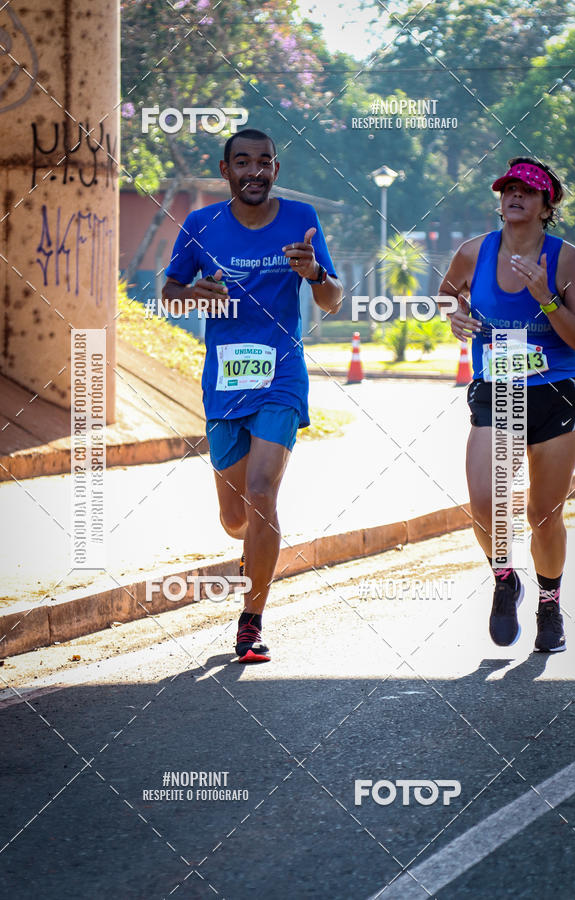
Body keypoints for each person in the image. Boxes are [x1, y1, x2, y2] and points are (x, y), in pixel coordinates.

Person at [162, 129, 342, 662]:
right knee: (236, 518)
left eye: (264, 162)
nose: (254, 171)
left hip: (281, 374)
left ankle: (251, 621)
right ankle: (251, 550)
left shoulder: (300, 220)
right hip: (224, 383)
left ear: (275, 170)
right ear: (227, 171)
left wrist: (314, 273)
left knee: (262, 492)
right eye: (243, 162)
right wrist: (191, 294)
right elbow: (169, 295)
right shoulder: (201, 224)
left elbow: (331, 300)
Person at [440, 157, 575, 652]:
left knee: (542, 515)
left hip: (556, 390)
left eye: (527, 191)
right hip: (496, 388)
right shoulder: (473, 252)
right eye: (509, 189)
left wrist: (546, 297)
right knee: (485, 504)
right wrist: (455, 313)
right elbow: (446, 293)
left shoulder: (566, 259)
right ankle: (504, 577)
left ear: (546, 206)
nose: (515, 196)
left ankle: (549, 604)